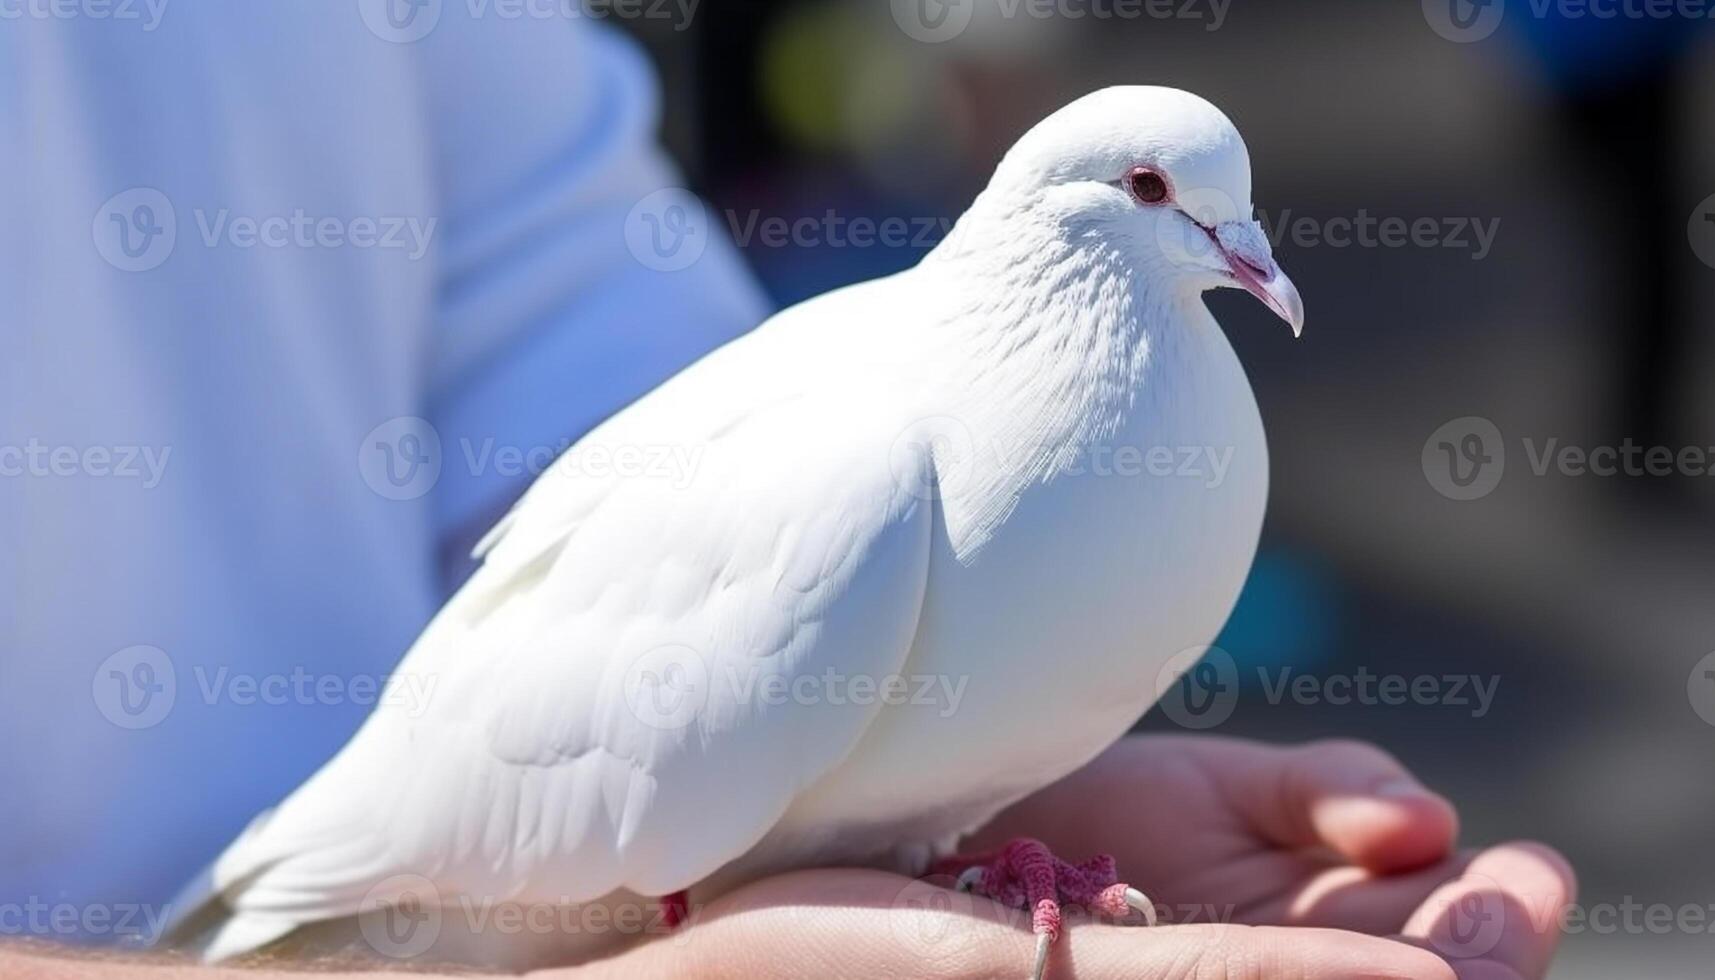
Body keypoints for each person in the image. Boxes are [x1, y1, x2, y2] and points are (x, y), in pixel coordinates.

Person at [0, 4, 1572, 977]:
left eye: (1232, 220)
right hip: (326, 895)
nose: (1240, 253)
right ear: (1089, 204)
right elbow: (744, 543)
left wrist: (956, 809)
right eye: (1171, 203)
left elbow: (580, 342)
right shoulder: (862, 471)